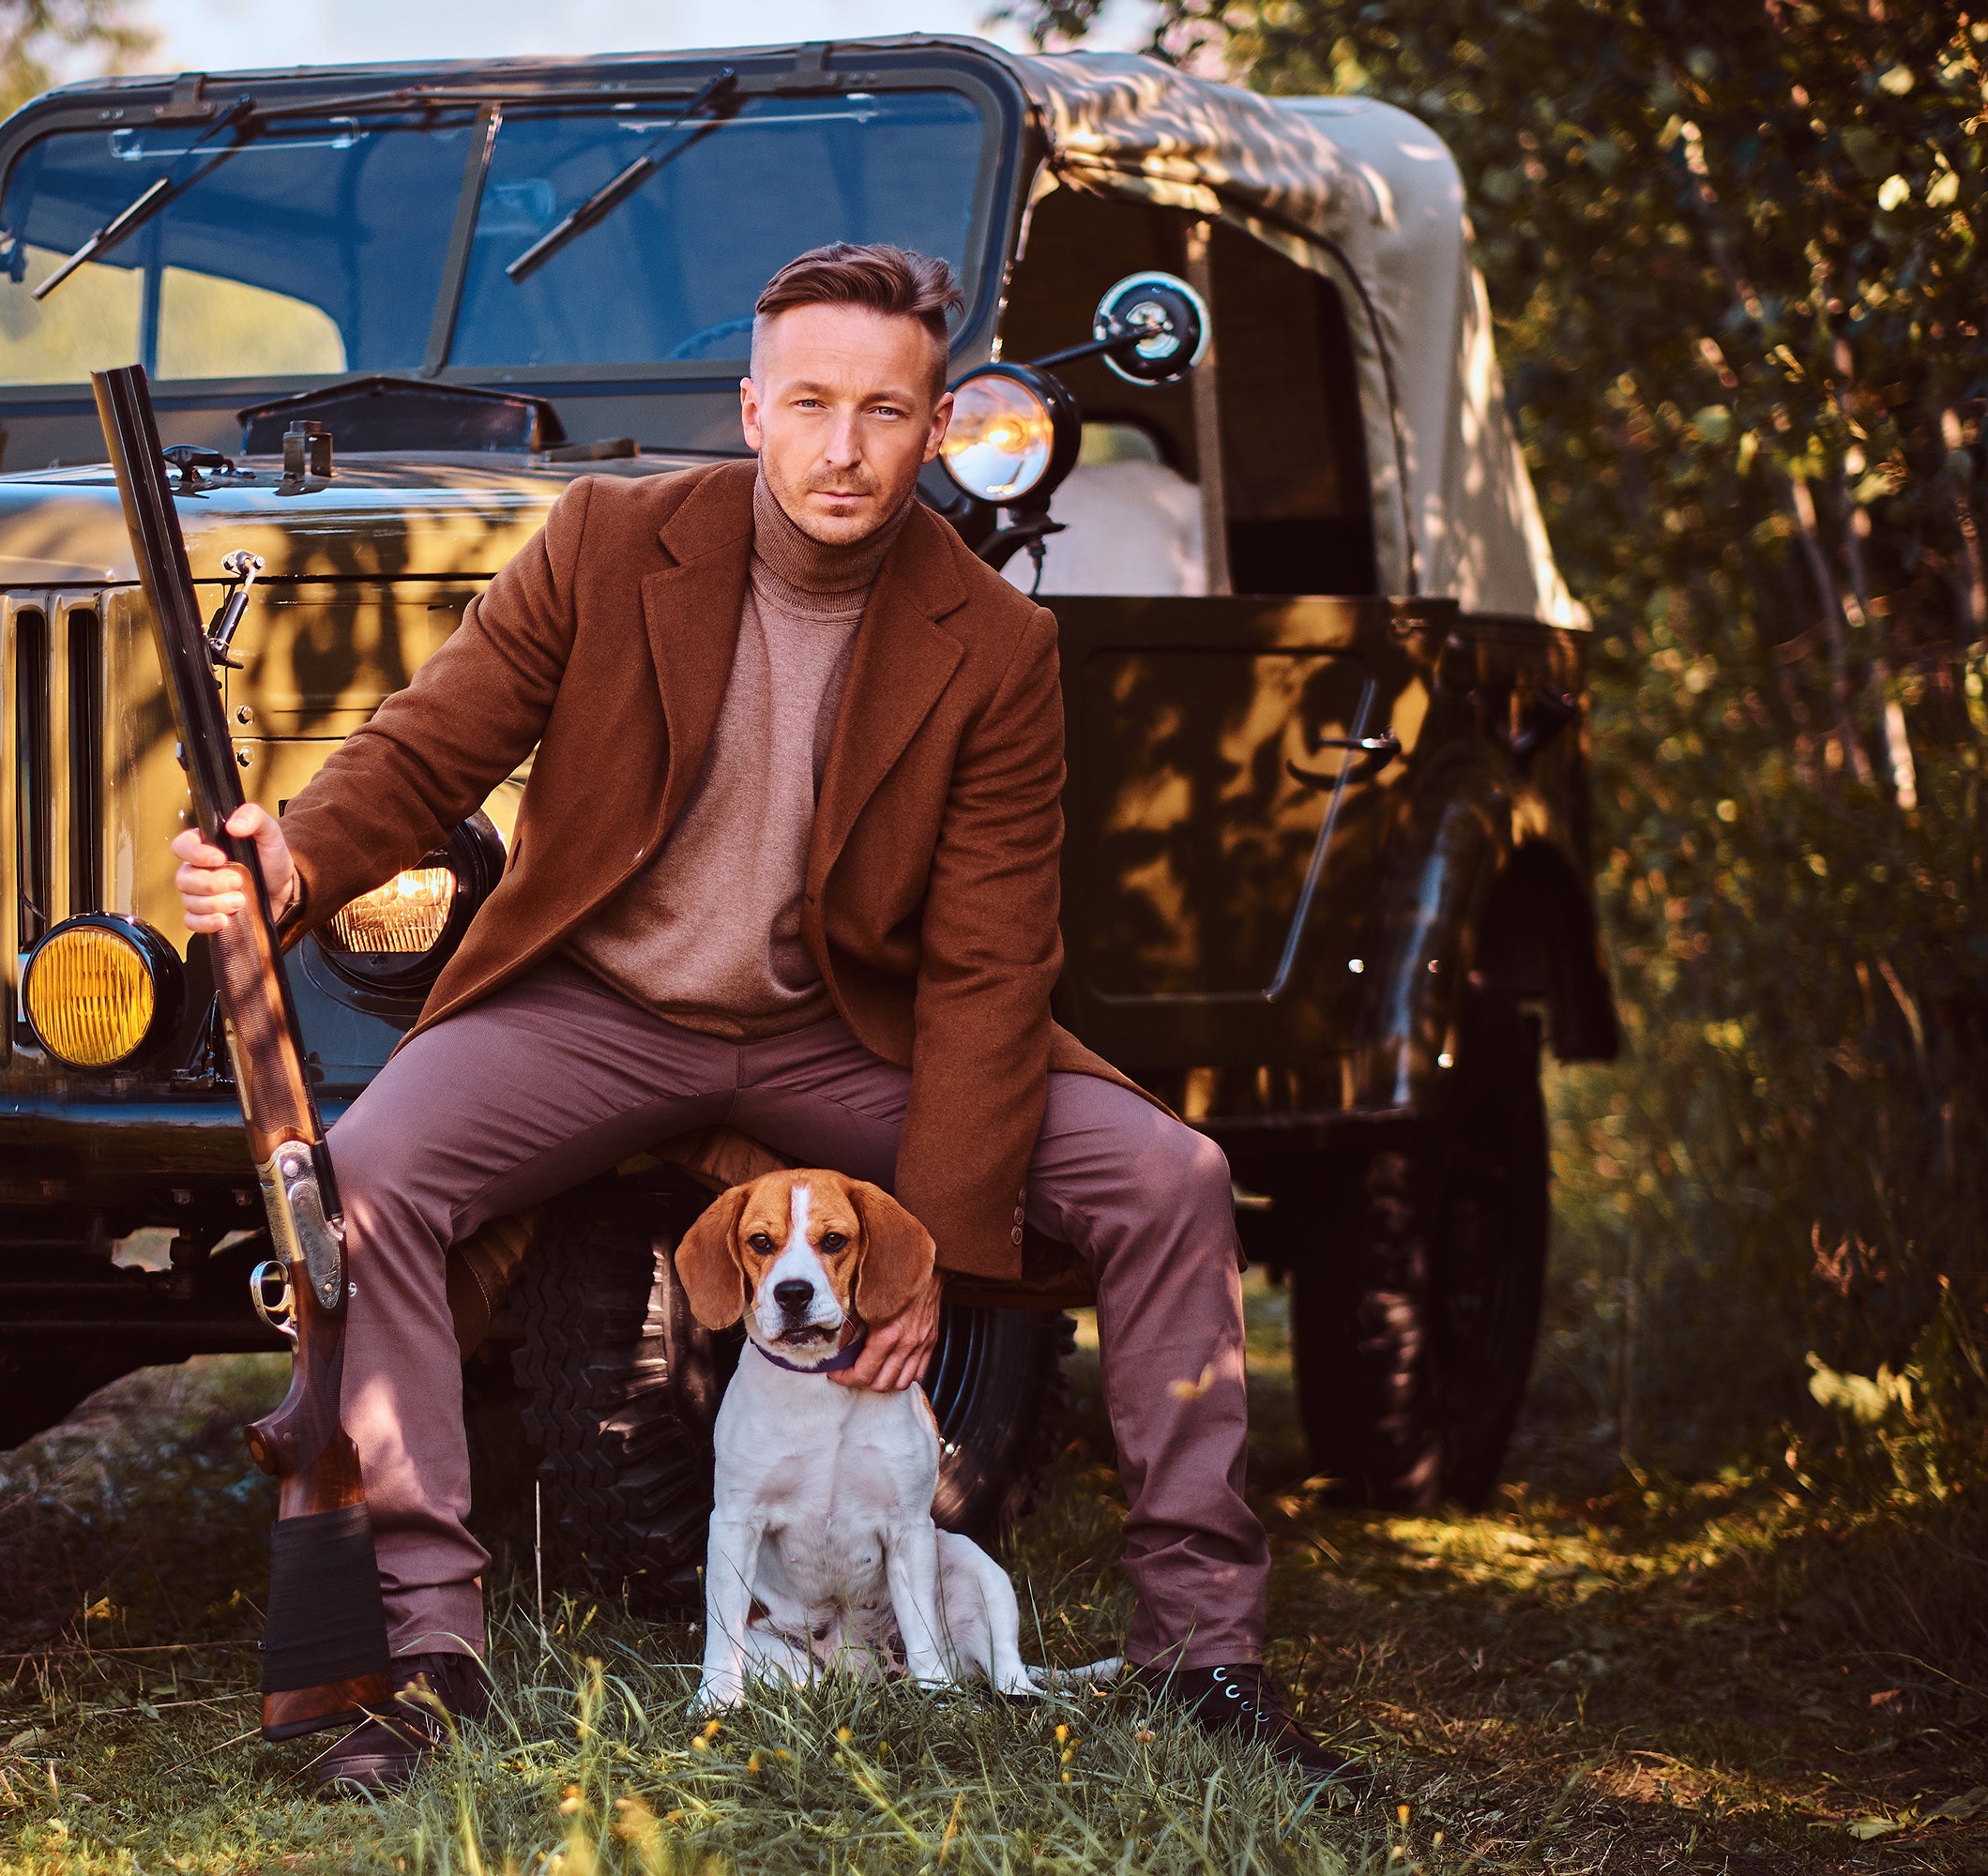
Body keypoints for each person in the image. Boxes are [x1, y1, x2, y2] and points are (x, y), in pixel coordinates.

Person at [172, 243, 1358, 1793]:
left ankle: (1206, 1657)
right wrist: (298, 856)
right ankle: (428, 1658)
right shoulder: (602, 543)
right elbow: (425, 748)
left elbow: (995, 965)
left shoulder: (999, 647)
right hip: (594, 1002)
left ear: (935, 430)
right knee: (373, 1176)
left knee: (1170, 1178)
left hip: (833, 1032)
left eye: (884, 410)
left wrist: (930, 1249)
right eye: (809, 403)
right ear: (750, 409)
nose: (844, 447)